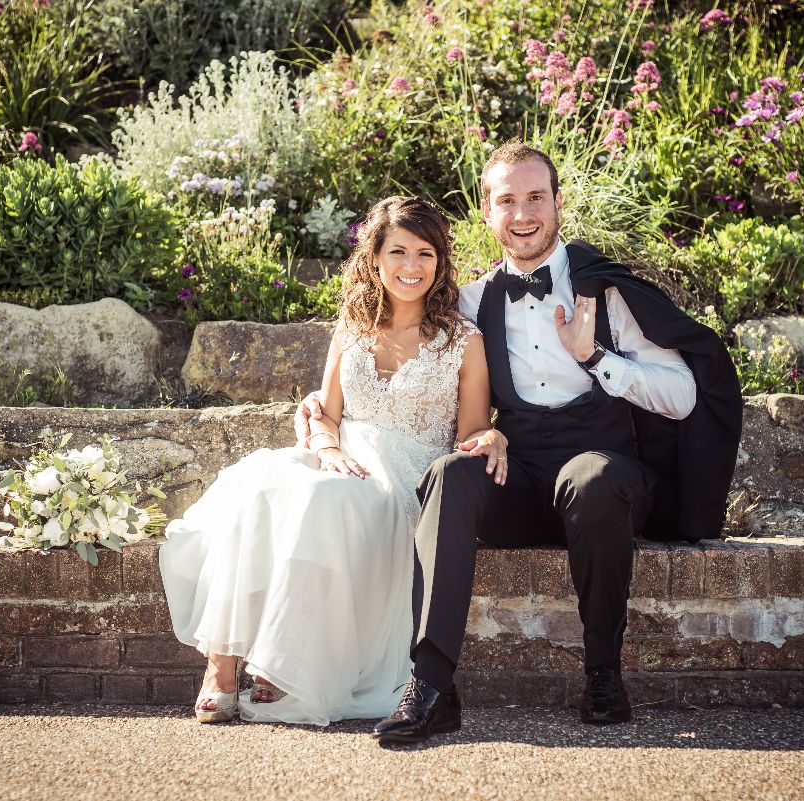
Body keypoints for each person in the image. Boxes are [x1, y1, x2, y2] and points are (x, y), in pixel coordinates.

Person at [297, 142, 742, 743]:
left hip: (604, 476)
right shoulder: (473, 303)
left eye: (536, 198)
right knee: (452, 475)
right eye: (507, 201)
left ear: (559, 203)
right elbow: (392, 326)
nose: (523, 213)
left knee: (594, 480)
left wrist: (597, 357)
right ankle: (430, 689)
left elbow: (684, 395)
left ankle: (604, 675)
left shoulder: (605, 294)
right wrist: (323, 416)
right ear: (487, 212)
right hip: (523, 476)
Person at [160, 196, 505, 727]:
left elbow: (469, 436)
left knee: (322, 500)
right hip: (342, 455)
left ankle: (282, 661)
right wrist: (326, 447)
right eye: (398, 252)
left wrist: (493, 437)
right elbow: (325, 411)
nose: (411, 267)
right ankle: (221, 667)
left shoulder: (463, 341)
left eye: (425, 254)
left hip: (405, 480)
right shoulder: (354, 324)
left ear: (440, 263)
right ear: (374, 257)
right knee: (254, 484)